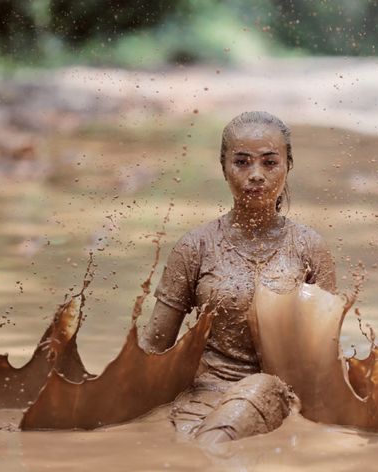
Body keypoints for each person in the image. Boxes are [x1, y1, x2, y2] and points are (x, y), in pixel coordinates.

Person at [139, 111, 336, 445]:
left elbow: (326, 356)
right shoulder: (195, 247)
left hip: (277, 398)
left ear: (288, 166)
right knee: (196, 445)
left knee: (248, 403)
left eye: (269, 163)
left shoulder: (309, 248)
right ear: (224, 168)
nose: (256, 175)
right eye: (242, 162)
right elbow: (154, 348)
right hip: (202, 400)